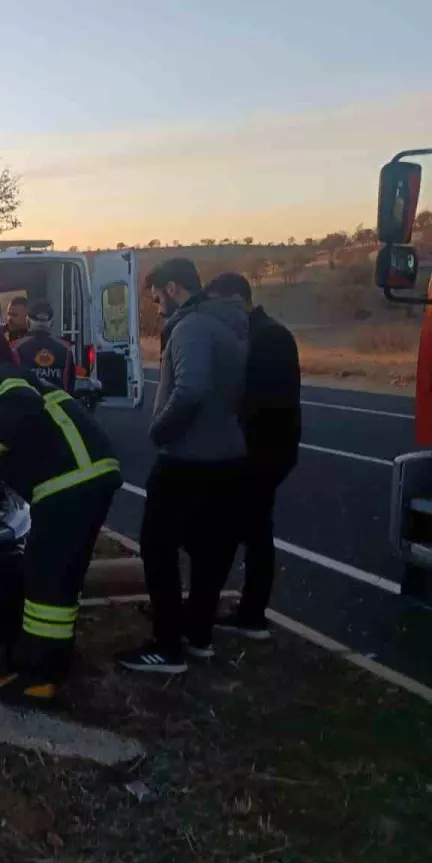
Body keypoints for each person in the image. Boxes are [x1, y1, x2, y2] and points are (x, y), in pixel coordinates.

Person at [0, 356, 122, 704]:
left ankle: (38, 677)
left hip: (70, 480)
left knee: (47, 579)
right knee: (58, 577)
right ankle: (48, 666)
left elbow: (23, 409)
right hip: (82, 477)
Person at [117, 259, 249, 674]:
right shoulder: (230, 326)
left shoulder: (191, 328)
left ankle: (167, 647)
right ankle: (199, 635)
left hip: (187, 460)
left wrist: (160, 430)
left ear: (173, 289)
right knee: (209, 550)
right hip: (227, 456)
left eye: (158, 298)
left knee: (158, 548)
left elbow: (190, 390)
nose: (157, 308)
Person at [206, 272, 300, 640]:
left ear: (235, 300)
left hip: (260, 451)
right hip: (261, 449)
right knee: (249, 530)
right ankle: (244, 611)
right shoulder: (262, 333)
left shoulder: (267, 337)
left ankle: (246, 614)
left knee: (244, 531)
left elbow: (259, 402)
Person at [11, 300, 76, 393]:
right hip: (59, 401)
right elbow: (71, 384)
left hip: (27, 400)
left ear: (27, 321)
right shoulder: (66, 348)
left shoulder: (15, 347)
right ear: (52, 323)